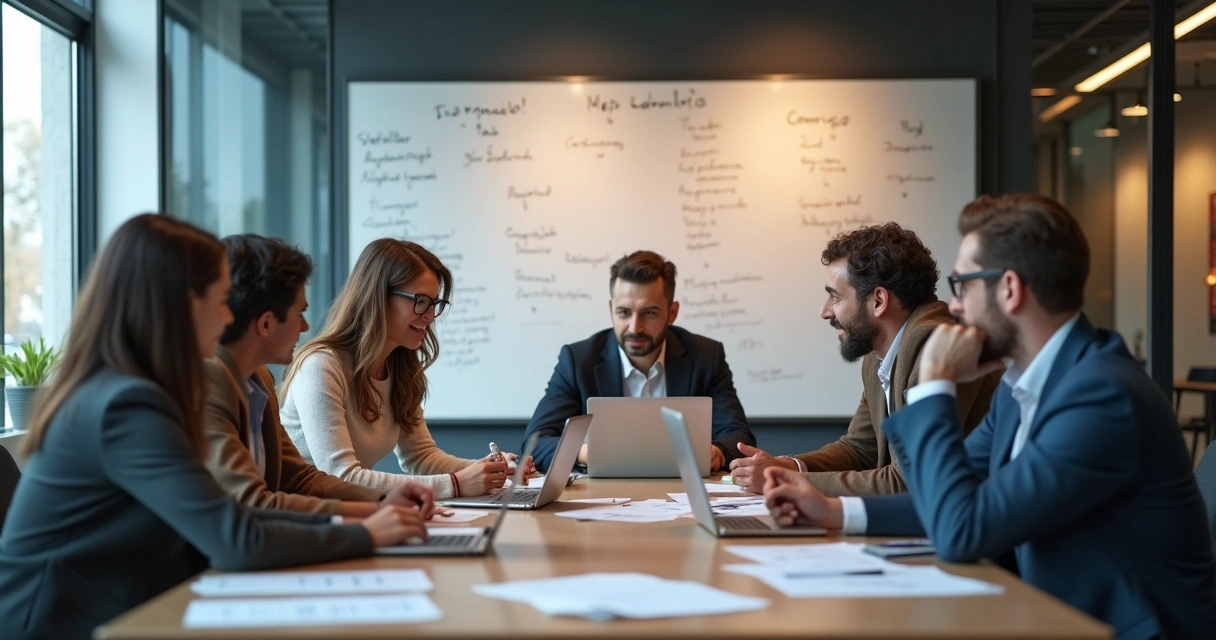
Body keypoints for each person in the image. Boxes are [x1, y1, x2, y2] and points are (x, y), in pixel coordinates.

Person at [763, 194, 1216, 640]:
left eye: (963, 287)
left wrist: (936, 384)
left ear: (1010, 290)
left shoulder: (1101, 395)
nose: (953, 307)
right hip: (1047, 612)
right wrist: (832, 510)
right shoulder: (1025, 385)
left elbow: (963, 529)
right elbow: (944, 496)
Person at [0, 215, 430, 640]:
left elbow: (256, 504)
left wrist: (373, 511)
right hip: (64, 620)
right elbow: (237, 534)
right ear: (186, 303)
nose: (230, 315)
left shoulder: (147, 388)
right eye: (223, 298)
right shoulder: (128, 404)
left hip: (131, 602)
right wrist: (366, 532)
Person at [729, 223, 1000, 495]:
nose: (825, 312)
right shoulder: (878, 355)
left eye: (835, 297)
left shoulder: (933, 344)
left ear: (879, 301)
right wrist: (787, 467)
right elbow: (859, 449)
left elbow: (905, 483)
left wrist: (784, 482)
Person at [280, 238, 520, 499]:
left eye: (434, 304)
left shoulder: (401, 366)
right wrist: (455, 483)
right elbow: (341, 476)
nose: (429, 315)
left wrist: (486, 469)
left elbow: (421, 456)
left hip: (351, 513)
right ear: (378, 297)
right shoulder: (321, 366)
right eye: (420, 301)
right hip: (308, 517)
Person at [204, 233, 425, 516]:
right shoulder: (211, 380)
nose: (306, 327)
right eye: (300, 314)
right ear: (267, 323)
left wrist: (382, 500)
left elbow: (298, 478)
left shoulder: (260, 379)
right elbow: (253, 506)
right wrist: (368, 525)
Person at [522, 250, 756, 472]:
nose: (635, 327)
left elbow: (738, 436)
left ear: (671, 313)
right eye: (624, 312)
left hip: (684, 495)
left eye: (649, 313)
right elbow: (536, 443)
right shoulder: (578, 361)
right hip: (602, 498)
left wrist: (717, 452)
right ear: (611, 309)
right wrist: (587, 453)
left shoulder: (705, 356)